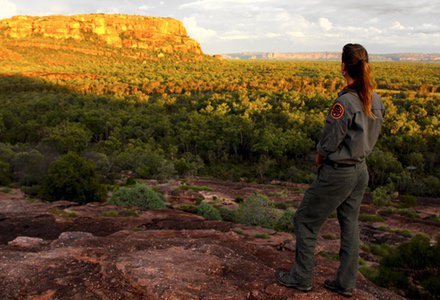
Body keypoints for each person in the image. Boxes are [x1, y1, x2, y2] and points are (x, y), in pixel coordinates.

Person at [275, 43, 385, 297]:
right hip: (361, 171)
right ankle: (346, 283)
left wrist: (320, 156)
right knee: (350, 224)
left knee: (305, 221)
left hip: (339, 172)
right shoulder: (375, 98)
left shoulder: (344, 102)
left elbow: (331, 140)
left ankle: (301, 277)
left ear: (344, 66)